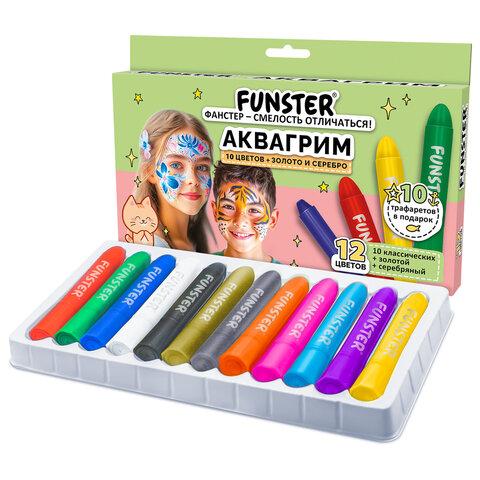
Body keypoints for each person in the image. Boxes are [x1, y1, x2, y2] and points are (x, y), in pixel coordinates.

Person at [134, 110, 213, 252]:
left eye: (202, 167)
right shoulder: (152, 248)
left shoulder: (193, 239)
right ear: (150, 172)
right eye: (176, 165)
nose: (193, 180)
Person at [211, 162, 280, 263]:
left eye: (254, 210)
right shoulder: (201, 263)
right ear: (215, 212)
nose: (240, 222)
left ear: (272, 220)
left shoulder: (285, 272)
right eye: (229, 207)